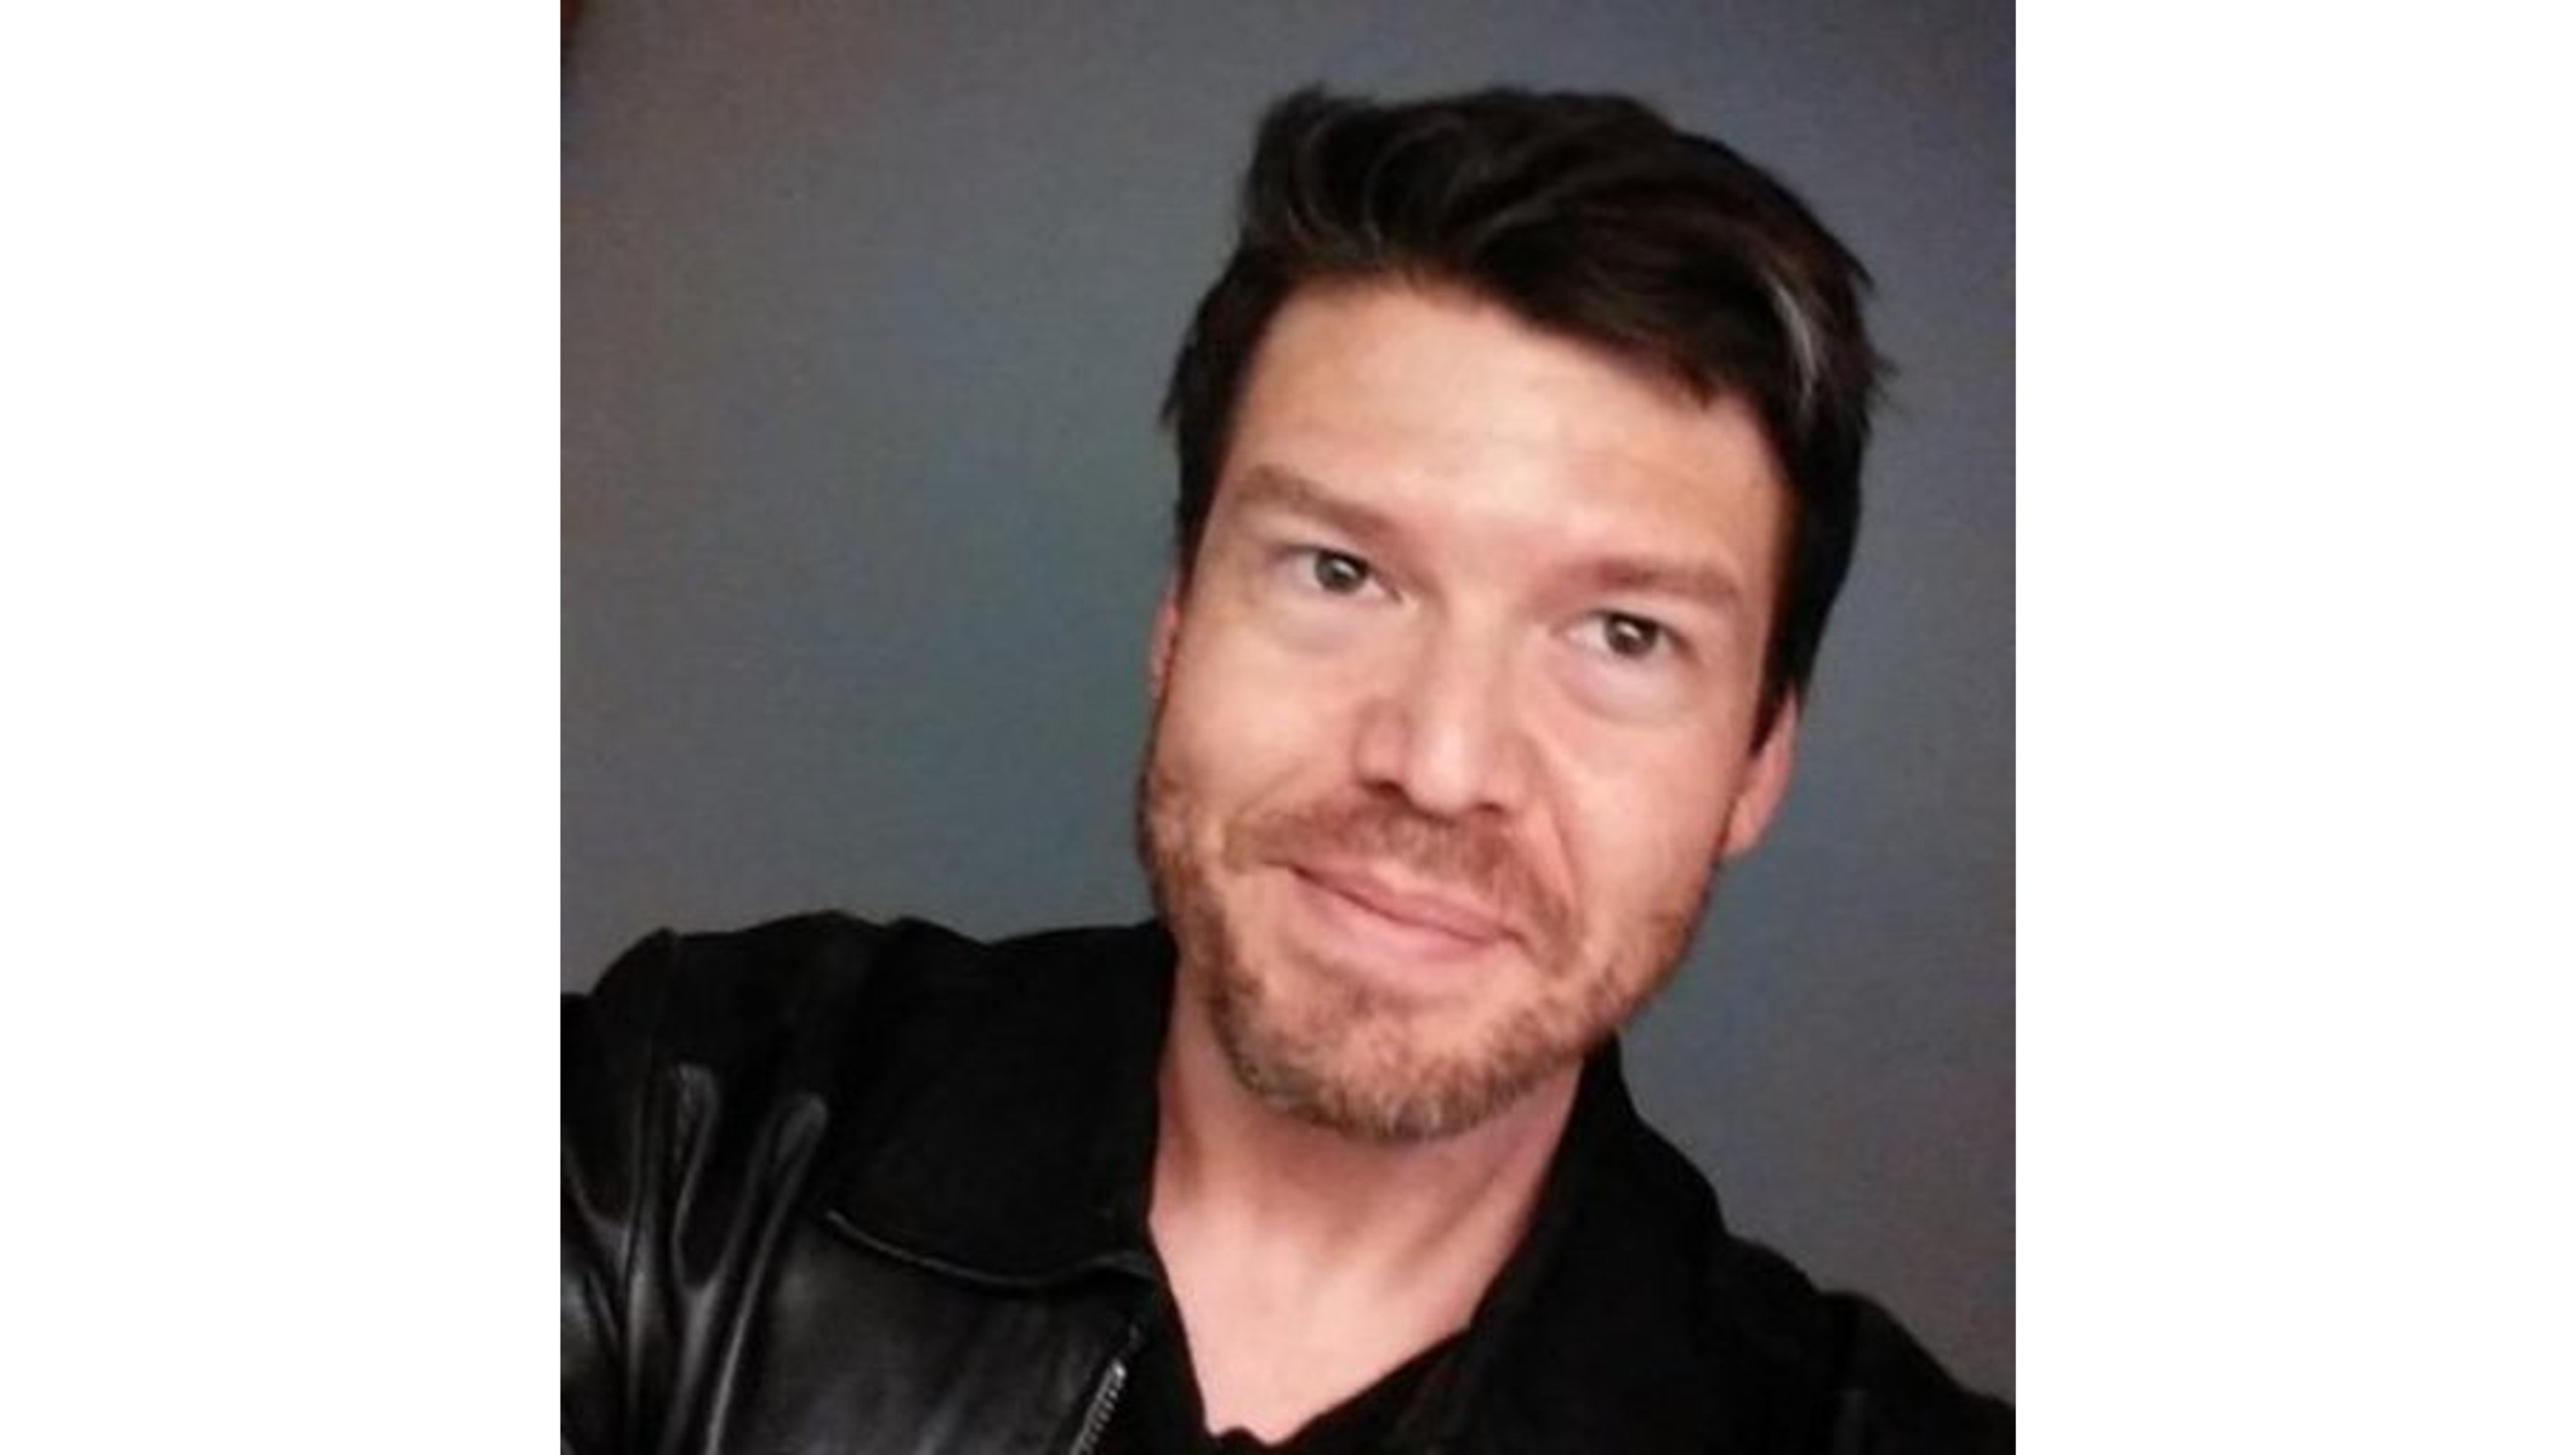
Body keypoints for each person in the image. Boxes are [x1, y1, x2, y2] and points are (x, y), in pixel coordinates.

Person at [562, 86, 2011, 1453]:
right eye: (1339, 570)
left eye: (1625, 635)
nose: (1439, 764)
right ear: (1178, 619)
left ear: (1758, 760)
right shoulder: (678, 1136)